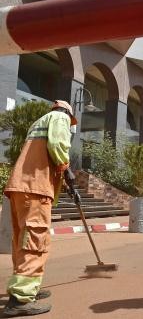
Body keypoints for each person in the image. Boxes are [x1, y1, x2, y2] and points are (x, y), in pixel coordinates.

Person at [3, 100, 77, 317]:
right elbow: (58, 146)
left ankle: (25, 288)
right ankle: (20, 299)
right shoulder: (60, 117)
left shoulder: (39, 122)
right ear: (67, 114)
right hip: (35, 187)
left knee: (22, 240)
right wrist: (67, 171)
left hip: (21, 187)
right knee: (35, 241)